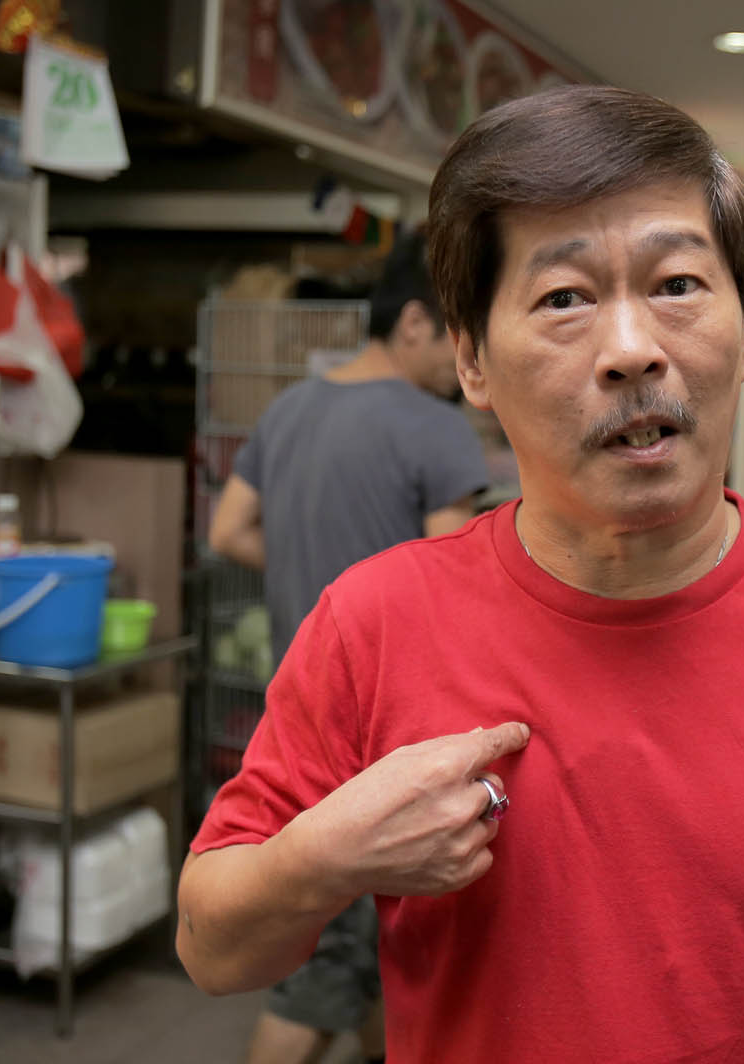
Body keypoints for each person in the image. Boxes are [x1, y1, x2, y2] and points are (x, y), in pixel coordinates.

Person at [180, 86, 744, 1063]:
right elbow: (213, 950)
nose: (631, 350)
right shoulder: (373, 620)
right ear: (471, 360)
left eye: (678, 284)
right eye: (564, 298)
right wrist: (323, 857)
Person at [207, 230, 490, 1064]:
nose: (464, 365)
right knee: (327, 968)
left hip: (296, 719)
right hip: (387, 733)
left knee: (368, 950)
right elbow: (457, 583)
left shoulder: (289, 408)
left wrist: (328, 587)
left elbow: (228, 531)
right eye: (457, 336)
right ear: (414, 323)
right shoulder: (436, 429)